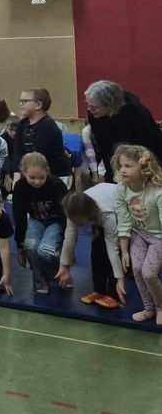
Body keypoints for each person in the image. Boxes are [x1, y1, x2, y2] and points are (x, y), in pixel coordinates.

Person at [113, 145, 162, 325]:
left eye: (128, 166)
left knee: (149, 273)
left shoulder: (157, 190)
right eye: (121, 166)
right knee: (137, 270)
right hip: (138, 234)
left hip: (159, 236)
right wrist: (124, 251)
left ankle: (160, 307)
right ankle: (148, 308)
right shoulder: (121, 190)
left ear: (142, 166)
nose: (123, 170)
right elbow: (124, 221)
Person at [56, 186, 126, 309]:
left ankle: (113, 293)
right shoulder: (72, 208)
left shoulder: (106, 215)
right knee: (97, 252)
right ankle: (99, 290)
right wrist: (64, 266)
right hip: (98, 210)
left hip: (118, 211)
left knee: (111, 251)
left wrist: (120, 278)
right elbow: (69, 238)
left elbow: (113, 248)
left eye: (78, 222)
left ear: (87, 216)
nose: (75, 223)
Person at [85, 80, 162, 182]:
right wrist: (111, 175)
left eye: (94, 107)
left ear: (110, 104)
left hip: (147, 153)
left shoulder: (137, 114)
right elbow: (104, 147)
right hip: (120, 156)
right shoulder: (95, 115)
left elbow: (146, 149)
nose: (89, 109)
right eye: (88, 105)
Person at [13, 152, 68, 294]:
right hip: (36, 219)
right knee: (30, 245)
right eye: (32, 178)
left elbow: (65, 216)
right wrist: (20, 246)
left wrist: (68, 250)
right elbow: (18, 215)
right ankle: (39, 281)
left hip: (56, 221)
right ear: (23, 172)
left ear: (47, 171)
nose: (37, 182)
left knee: (45, 251)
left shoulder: (56, 184)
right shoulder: (20, 187)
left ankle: (59, 272)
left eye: (41, 177)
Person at [11, 88, 71, 185]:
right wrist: (16, 177)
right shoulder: (22, 124)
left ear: (38, 105)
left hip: (55, 175)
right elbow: (18, 151)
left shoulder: (48, 126)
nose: (20, 104)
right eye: (20, 101)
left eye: (24, 101)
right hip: (34, 173)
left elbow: (41, 156)